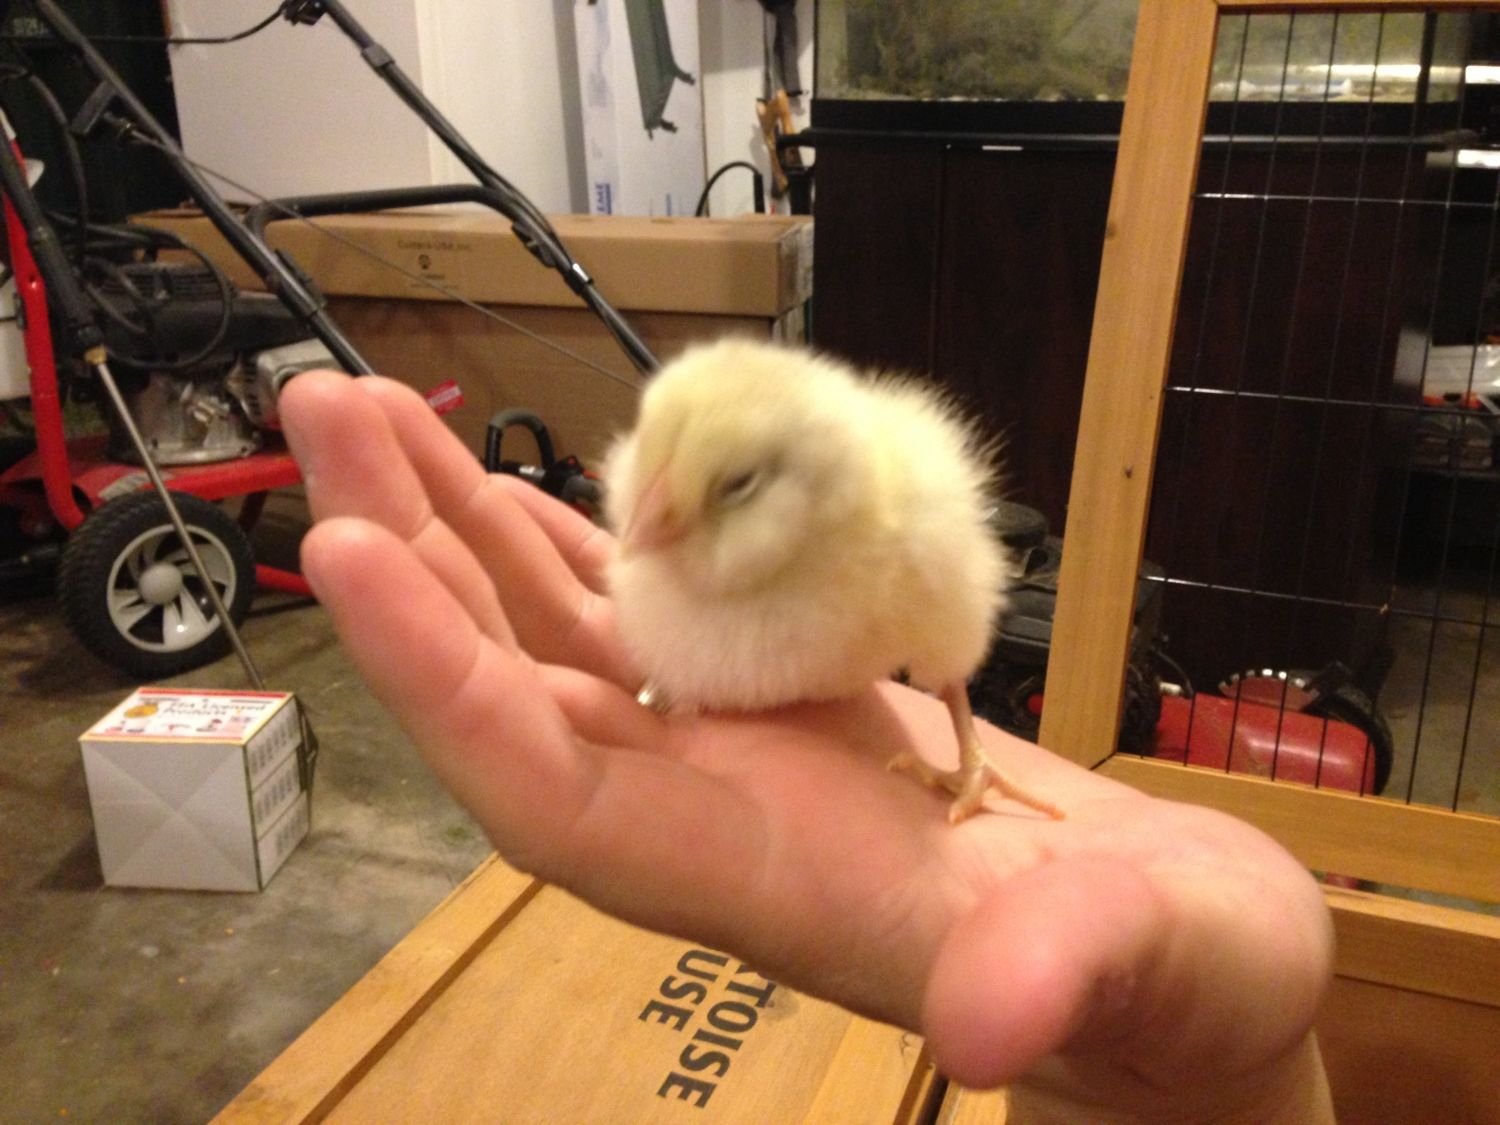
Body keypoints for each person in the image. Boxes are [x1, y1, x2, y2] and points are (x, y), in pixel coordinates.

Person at [280, 370, 1336, 1125]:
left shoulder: (879, 521)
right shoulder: (684, 525)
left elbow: (949, 614)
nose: (646, 518)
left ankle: (968, 750)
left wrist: (966, 753)